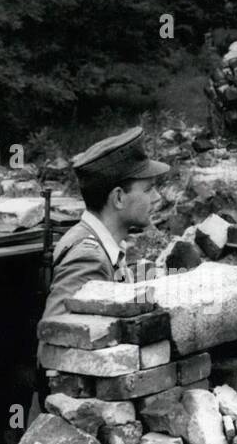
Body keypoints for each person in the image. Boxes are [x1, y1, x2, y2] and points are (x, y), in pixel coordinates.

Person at [38, 126, 168, 332]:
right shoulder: (89, 257)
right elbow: (54, 336)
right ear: (118, 198)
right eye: (148, 189)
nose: (157, 197)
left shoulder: (105, 243)